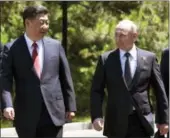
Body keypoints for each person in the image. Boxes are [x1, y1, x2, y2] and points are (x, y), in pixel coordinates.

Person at [1, 5, 76, 138]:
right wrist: (7, 105)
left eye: (47, 22)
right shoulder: (12, 48)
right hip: (26, 115)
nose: (45, 26)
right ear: (27, 23)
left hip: (53, 113)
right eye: (41, 22)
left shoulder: (55, 46)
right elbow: (5, 80)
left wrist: (70, 106)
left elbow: (66, 77)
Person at [90, 19, 169, 138]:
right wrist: (96, 116)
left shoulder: (149, 58)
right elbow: (96, 90)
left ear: (134, 36)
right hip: (115, 121)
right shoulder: (106, 59)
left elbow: (159, 91)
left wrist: (164, 120)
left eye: (122, 35)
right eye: (116, 35)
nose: (118, 38)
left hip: (142, 121)